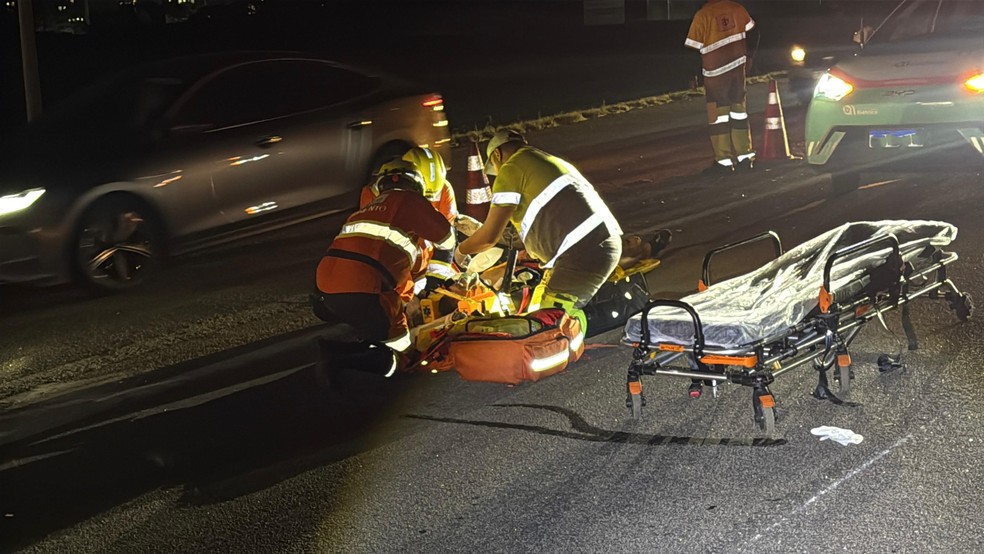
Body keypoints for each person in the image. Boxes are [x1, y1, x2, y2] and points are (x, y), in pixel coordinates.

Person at [454, 130, 623, 330]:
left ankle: (576, 345)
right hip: (599, 244)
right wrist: (477, 229)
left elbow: (490, 237)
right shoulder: (546, 162)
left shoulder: (511, 167)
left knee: (549, 324)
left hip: (580, 254)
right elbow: (524, 233)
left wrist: (461, 251)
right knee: (538, 308)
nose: (497, 173)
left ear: (498, 155)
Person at [313, 159, 456, 377]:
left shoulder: (370, 209)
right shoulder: (409, 200)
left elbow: (409, 268)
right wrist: (438, 278)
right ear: (417, 184)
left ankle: (335, 348)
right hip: (364, 285)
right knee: (405, 355)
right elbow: (446, 238)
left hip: (326, 285)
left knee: (377, 327)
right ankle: (338, 361)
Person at [360, 147, 479, 292]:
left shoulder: (444, 189)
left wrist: (435, 282)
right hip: (398, 271)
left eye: (432, 197)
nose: (427, 202)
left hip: (426, 264)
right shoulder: (373, 195)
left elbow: (446, 240)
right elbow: (382, 252)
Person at [685, 0, 756, 173]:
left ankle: (723, 161)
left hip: (715, 76)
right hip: (738, 72)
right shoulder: (737, 9)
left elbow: (692, 48)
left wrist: (691, 75)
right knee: (739, 113)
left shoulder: (703, 15)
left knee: (717, 118)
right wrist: (750, 57)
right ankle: (745, 157)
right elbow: (753, 33)